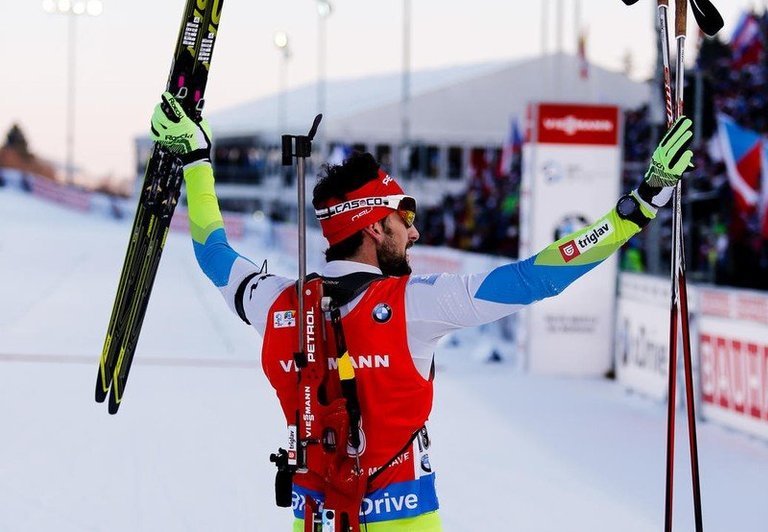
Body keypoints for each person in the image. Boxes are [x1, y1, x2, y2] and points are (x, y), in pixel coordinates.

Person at [149, 92, 694, 531]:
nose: (413, 230)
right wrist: (638, 207)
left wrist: (197, 159)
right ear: (370, 228)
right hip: (403, 517)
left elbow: (212, 252)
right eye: (401, 218)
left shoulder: (276, 302)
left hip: (315, 516)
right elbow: (536, 277)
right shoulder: (414, 304)